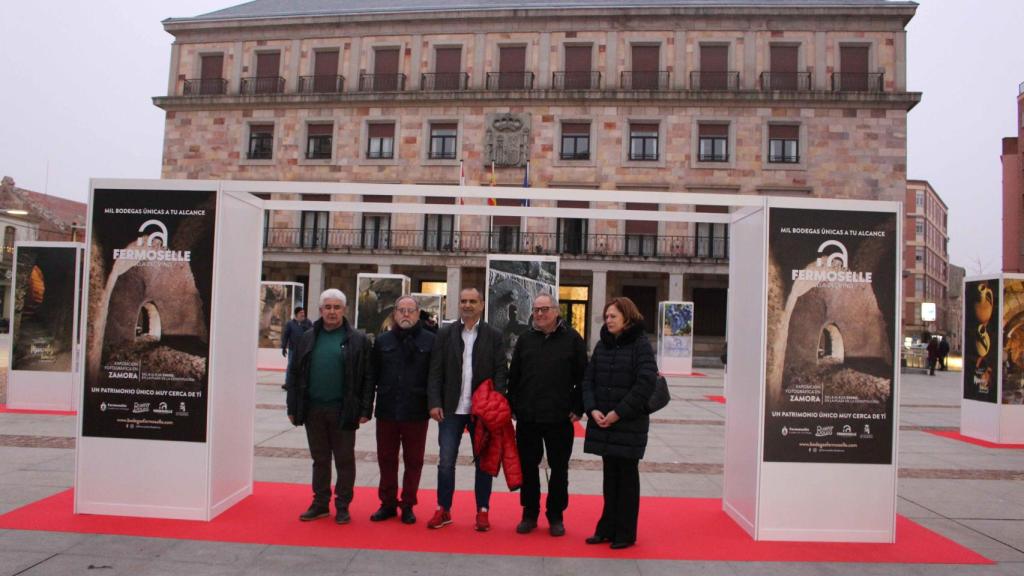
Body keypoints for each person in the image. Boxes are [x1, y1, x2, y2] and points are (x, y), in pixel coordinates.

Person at [286, 289, 373, 524]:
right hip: (313, 408)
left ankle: (343, 505)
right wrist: (292, 407)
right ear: (320, 310)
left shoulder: (358, 340)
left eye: (337, 307)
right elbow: (294, 374)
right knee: (320, 459)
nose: (332, 312)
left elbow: (367, 377)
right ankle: (320, 503)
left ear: (344, 310)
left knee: (345, 460)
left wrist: (366, 409)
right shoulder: (307, 337)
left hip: (343, 410)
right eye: (328, 307)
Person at [426, 287, 507, 531]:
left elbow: (501, 371)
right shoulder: (445, 333)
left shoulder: (494, 335)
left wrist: (494, 402)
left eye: (472, 301)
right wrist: (434, 402)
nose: (467, 305)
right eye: (463, 301)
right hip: (450, 409)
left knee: (484, 462)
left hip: (480, 411)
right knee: (445, 461)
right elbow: (435, 371)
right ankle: (443, 508)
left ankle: (483, 510)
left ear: (482, 305)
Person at [508, 293, 587, 537]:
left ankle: (556, 515)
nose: (539, 314)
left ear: (556, 311)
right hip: (528, 417)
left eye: (544, 309)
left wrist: (578, 406)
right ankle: (529, 513)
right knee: (528, 468)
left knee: (559, 469)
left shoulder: (572, 339)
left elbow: (583, 377)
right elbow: (515, 376)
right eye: (536, 310)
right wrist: (513, 404)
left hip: (559, 417)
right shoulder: (525, 339)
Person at [582, 297, 657, 550]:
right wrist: (592, 409)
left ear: (627, 317)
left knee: (626, 478)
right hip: (603, 422)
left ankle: (625, 533)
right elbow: (588, 381)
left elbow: (645, 384)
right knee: (609, 478)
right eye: (606, 316)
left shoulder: (641, 345)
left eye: (613, 316)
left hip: (628, 424)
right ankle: (606, 529)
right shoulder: (603, 346)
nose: (608, 320)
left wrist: (618, 413)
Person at [367, 296, 435, 524]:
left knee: (414, 461)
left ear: (417, 314)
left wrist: (435, 404)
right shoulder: (383, 341)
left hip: (416, 411)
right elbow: (371, 376)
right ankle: (387, 503)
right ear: (394, 313)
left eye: (410, 311)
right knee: (386, 459)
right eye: (401, 310)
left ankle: (408, 504)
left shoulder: (430, 341)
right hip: (387, 409)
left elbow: (435, 378)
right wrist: (366, 408)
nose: (406, 314)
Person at [281, 306, 312, 390]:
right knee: (291, 365)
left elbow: (312, 333)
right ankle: (288, 383)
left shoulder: (308, 323)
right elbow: (285, 335)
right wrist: (283, 347)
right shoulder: (290, 324)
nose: (303, 314)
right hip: (293, 349)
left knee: (305, 366)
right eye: (301, 313)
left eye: (303, 313)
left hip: (305, 349)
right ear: (296, 314)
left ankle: (304, 383)